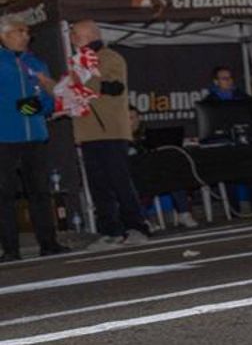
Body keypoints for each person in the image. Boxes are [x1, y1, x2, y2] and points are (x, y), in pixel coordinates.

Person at [69, 20, 150, 247]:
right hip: (88, 132)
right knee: (98, 185)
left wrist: (83, 81)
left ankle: (137, 227)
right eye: (72, 34)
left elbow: (114, 87)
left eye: (75, 34)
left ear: (90, 34)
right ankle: (111, 230)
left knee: (119, 181)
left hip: (111, 131)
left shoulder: (109, 57)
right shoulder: (77, 62)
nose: (72, 38)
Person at [1, 15, 68, 260]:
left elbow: (51, 100)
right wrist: (16, 108)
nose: (26, 36)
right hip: (4, 137)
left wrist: (36, 106)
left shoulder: (36, 63)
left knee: (40, 191)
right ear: (4, 35)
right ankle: (10, 249)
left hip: (36, 135)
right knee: (5, 194)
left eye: (27, 32)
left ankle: (49, 243)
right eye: (20, 31)